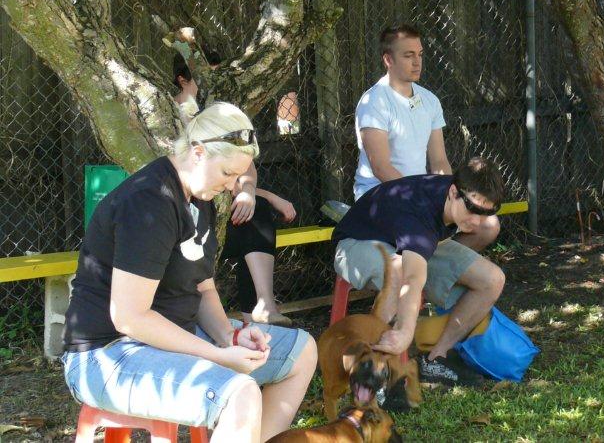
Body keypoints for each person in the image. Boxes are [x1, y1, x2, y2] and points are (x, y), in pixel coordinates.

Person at [61, 103, 317, 442]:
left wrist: (229, 337)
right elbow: (130, 317)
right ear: (198, 153)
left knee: (301, 351)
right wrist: (218, 356)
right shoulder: (149, 201)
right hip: (108, 353)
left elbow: (203, 287)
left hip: (174, 336)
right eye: (227, 173)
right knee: (239, 394)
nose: (232, 186)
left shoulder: (199, 198)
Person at [333, 156, 506, 386]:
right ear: (453, 192)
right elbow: (412, 279)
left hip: (404, 243)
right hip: (356, 242)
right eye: (472, 209)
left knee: (492, 280)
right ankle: (368, 367)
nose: (477, 221)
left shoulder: (457, 194)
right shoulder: (420, 215)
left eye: (486, 213)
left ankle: (436, 358)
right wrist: (405, 332)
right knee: (397, 274)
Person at [348, 24, 498, 252]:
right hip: (382, 197)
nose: (417, 62)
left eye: (420, 54)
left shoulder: (430, 100)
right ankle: (422, 261)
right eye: (408, 55)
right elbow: (380, 167)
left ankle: (438, 262)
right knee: (420, 235)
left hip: (421, 197)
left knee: (488, 225)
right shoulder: (374, 101)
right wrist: (423, 201)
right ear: (388, 60)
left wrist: (450, 196)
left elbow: (439, 161)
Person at [173, 55, 297, 326]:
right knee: (251, 214)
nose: (214, 85)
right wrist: (270, 196)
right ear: (183, 80)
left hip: (222, 211)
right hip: (186, 219)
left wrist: (249, 190)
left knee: (252, 210)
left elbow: (242, 169)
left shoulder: (219, 115)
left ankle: (264, 307)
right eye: (206, 77)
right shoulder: (170, 119)